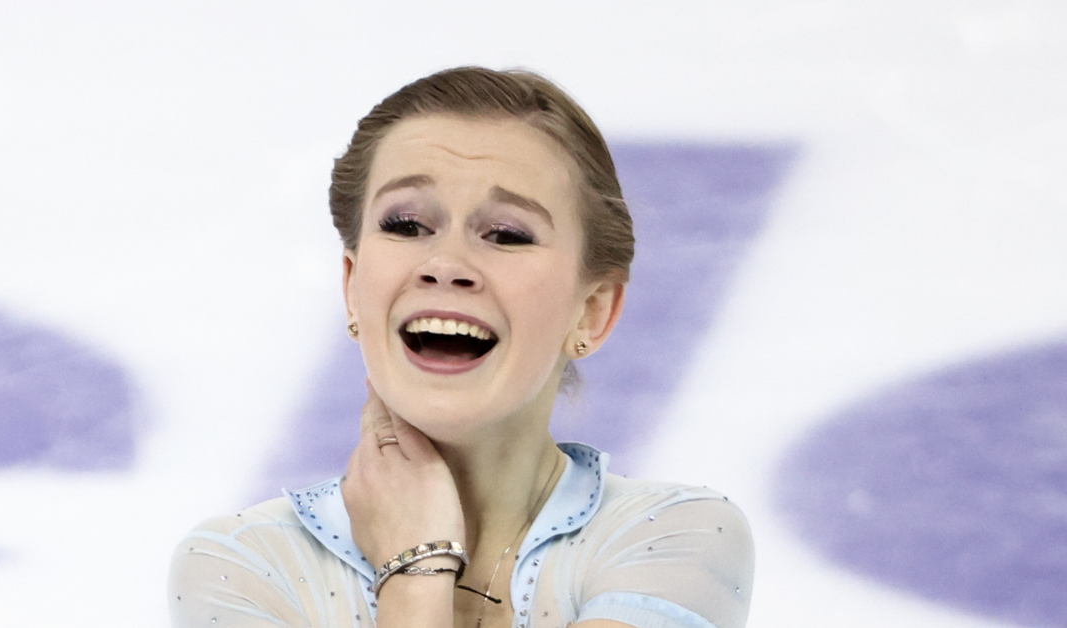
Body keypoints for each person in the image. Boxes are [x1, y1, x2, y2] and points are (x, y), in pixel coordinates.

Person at [168, 66, 753, 628]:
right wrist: (417, 570)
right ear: (352, 284)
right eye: (405, 225)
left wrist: (416, 567)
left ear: (592, 311)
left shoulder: (673, 537)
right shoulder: (241, 567)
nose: (446, 265)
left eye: (506, 234)